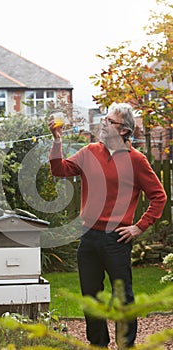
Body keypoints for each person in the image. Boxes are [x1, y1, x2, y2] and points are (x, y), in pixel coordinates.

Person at [48, 102, 167, 348]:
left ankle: (126, 344)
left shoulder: (137, 160)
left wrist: (139, 227)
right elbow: (59, 169)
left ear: (123, 130)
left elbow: (159, 196)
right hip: (89, 237)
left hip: (117, 240)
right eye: (104, 119)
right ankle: (98, 343)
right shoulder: (89, 151)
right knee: (91, 296)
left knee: (123, 297)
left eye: (109, 121)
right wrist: (57, 140)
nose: (104, 123)